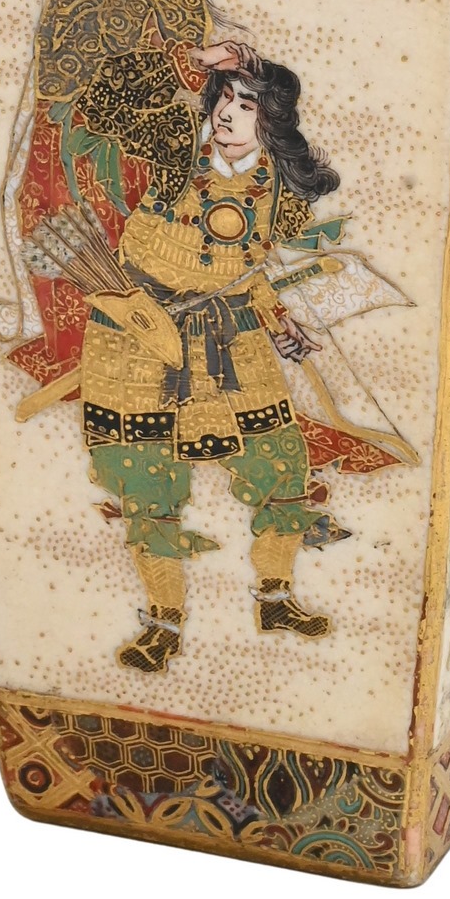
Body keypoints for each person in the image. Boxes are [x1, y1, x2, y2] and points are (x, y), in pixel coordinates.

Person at [81, 58, 343, 671]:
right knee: (148, 481)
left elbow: (249, 272)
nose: (227, 114)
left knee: (281, 464)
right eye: (224, 97)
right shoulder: (179, 152)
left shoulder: (279, 188)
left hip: (232, 337)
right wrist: (190, 59)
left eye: (247, 105)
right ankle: (163, 625)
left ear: (271, 120)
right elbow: (100, 100)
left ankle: (275, 598)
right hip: (142, 337)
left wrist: (280, 323)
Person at [1, 0, 253, 390]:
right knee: (59, 222)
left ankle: (139, 359)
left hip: (145, 124)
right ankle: (73, 352)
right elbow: (64, 51)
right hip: (72, 119)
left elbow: (188, 44)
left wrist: (203, 61)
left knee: (137, 233)